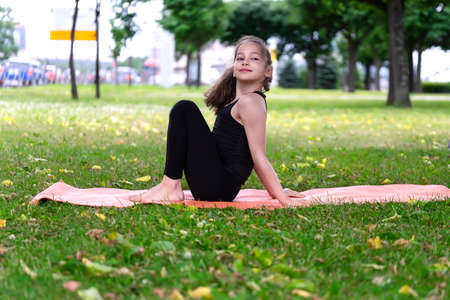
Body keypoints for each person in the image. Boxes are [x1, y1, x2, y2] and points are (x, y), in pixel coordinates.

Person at [130, 35, 305, 207]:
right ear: (235, 68)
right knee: (183, 110)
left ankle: (170, 187)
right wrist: (277, 192)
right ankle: (169, 185)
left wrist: (282, 198)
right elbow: (252, 157)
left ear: (268, 71)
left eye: (254, 58)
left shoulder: (251, 102)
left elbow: (259, 157)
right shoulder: (239, 102)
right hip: (216, 183)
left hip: (219, 186)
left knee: (184, 108)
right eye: (240, 58)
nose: (245, 62)